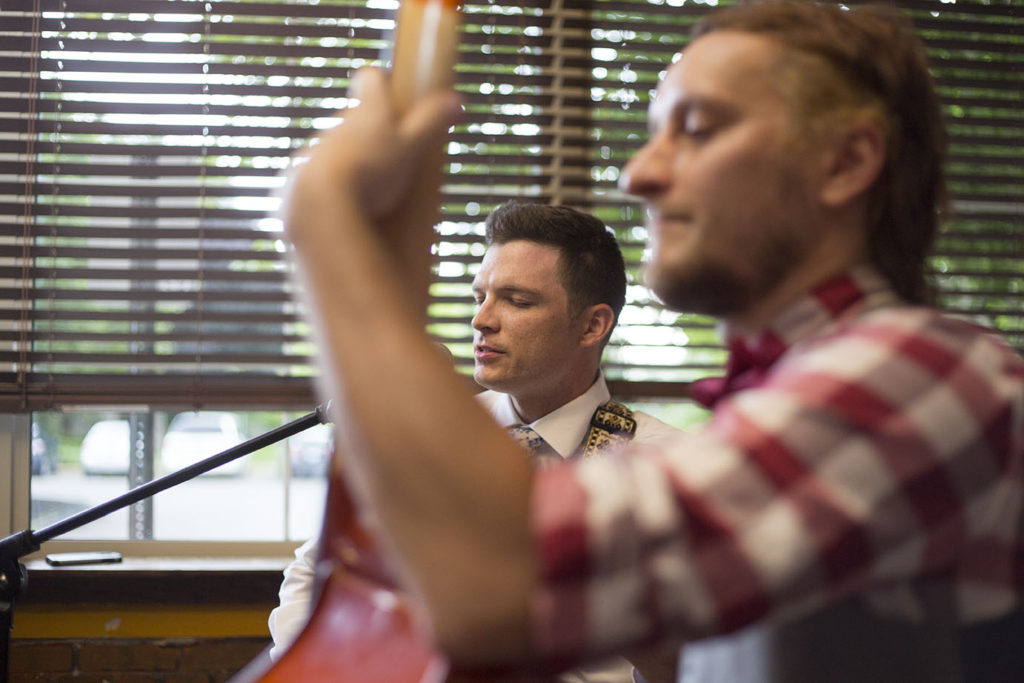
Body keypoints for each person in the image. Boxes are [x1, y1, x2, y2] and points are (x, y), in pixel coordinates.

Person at [281, 2, 1024, 681]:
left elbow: (493, 584)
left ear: (845, 162)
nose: (639, 174)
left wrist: (330, 233)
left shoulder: (922, 375)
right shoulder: (784, 404)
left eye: (696, 128)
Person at [269, 201, 682, 682]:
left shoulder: (666, 464)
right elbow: (318, 574)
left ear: (593, 325)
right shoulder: (432, 438)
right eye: (478, 296)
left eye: (518, 301)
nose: (481, 320)